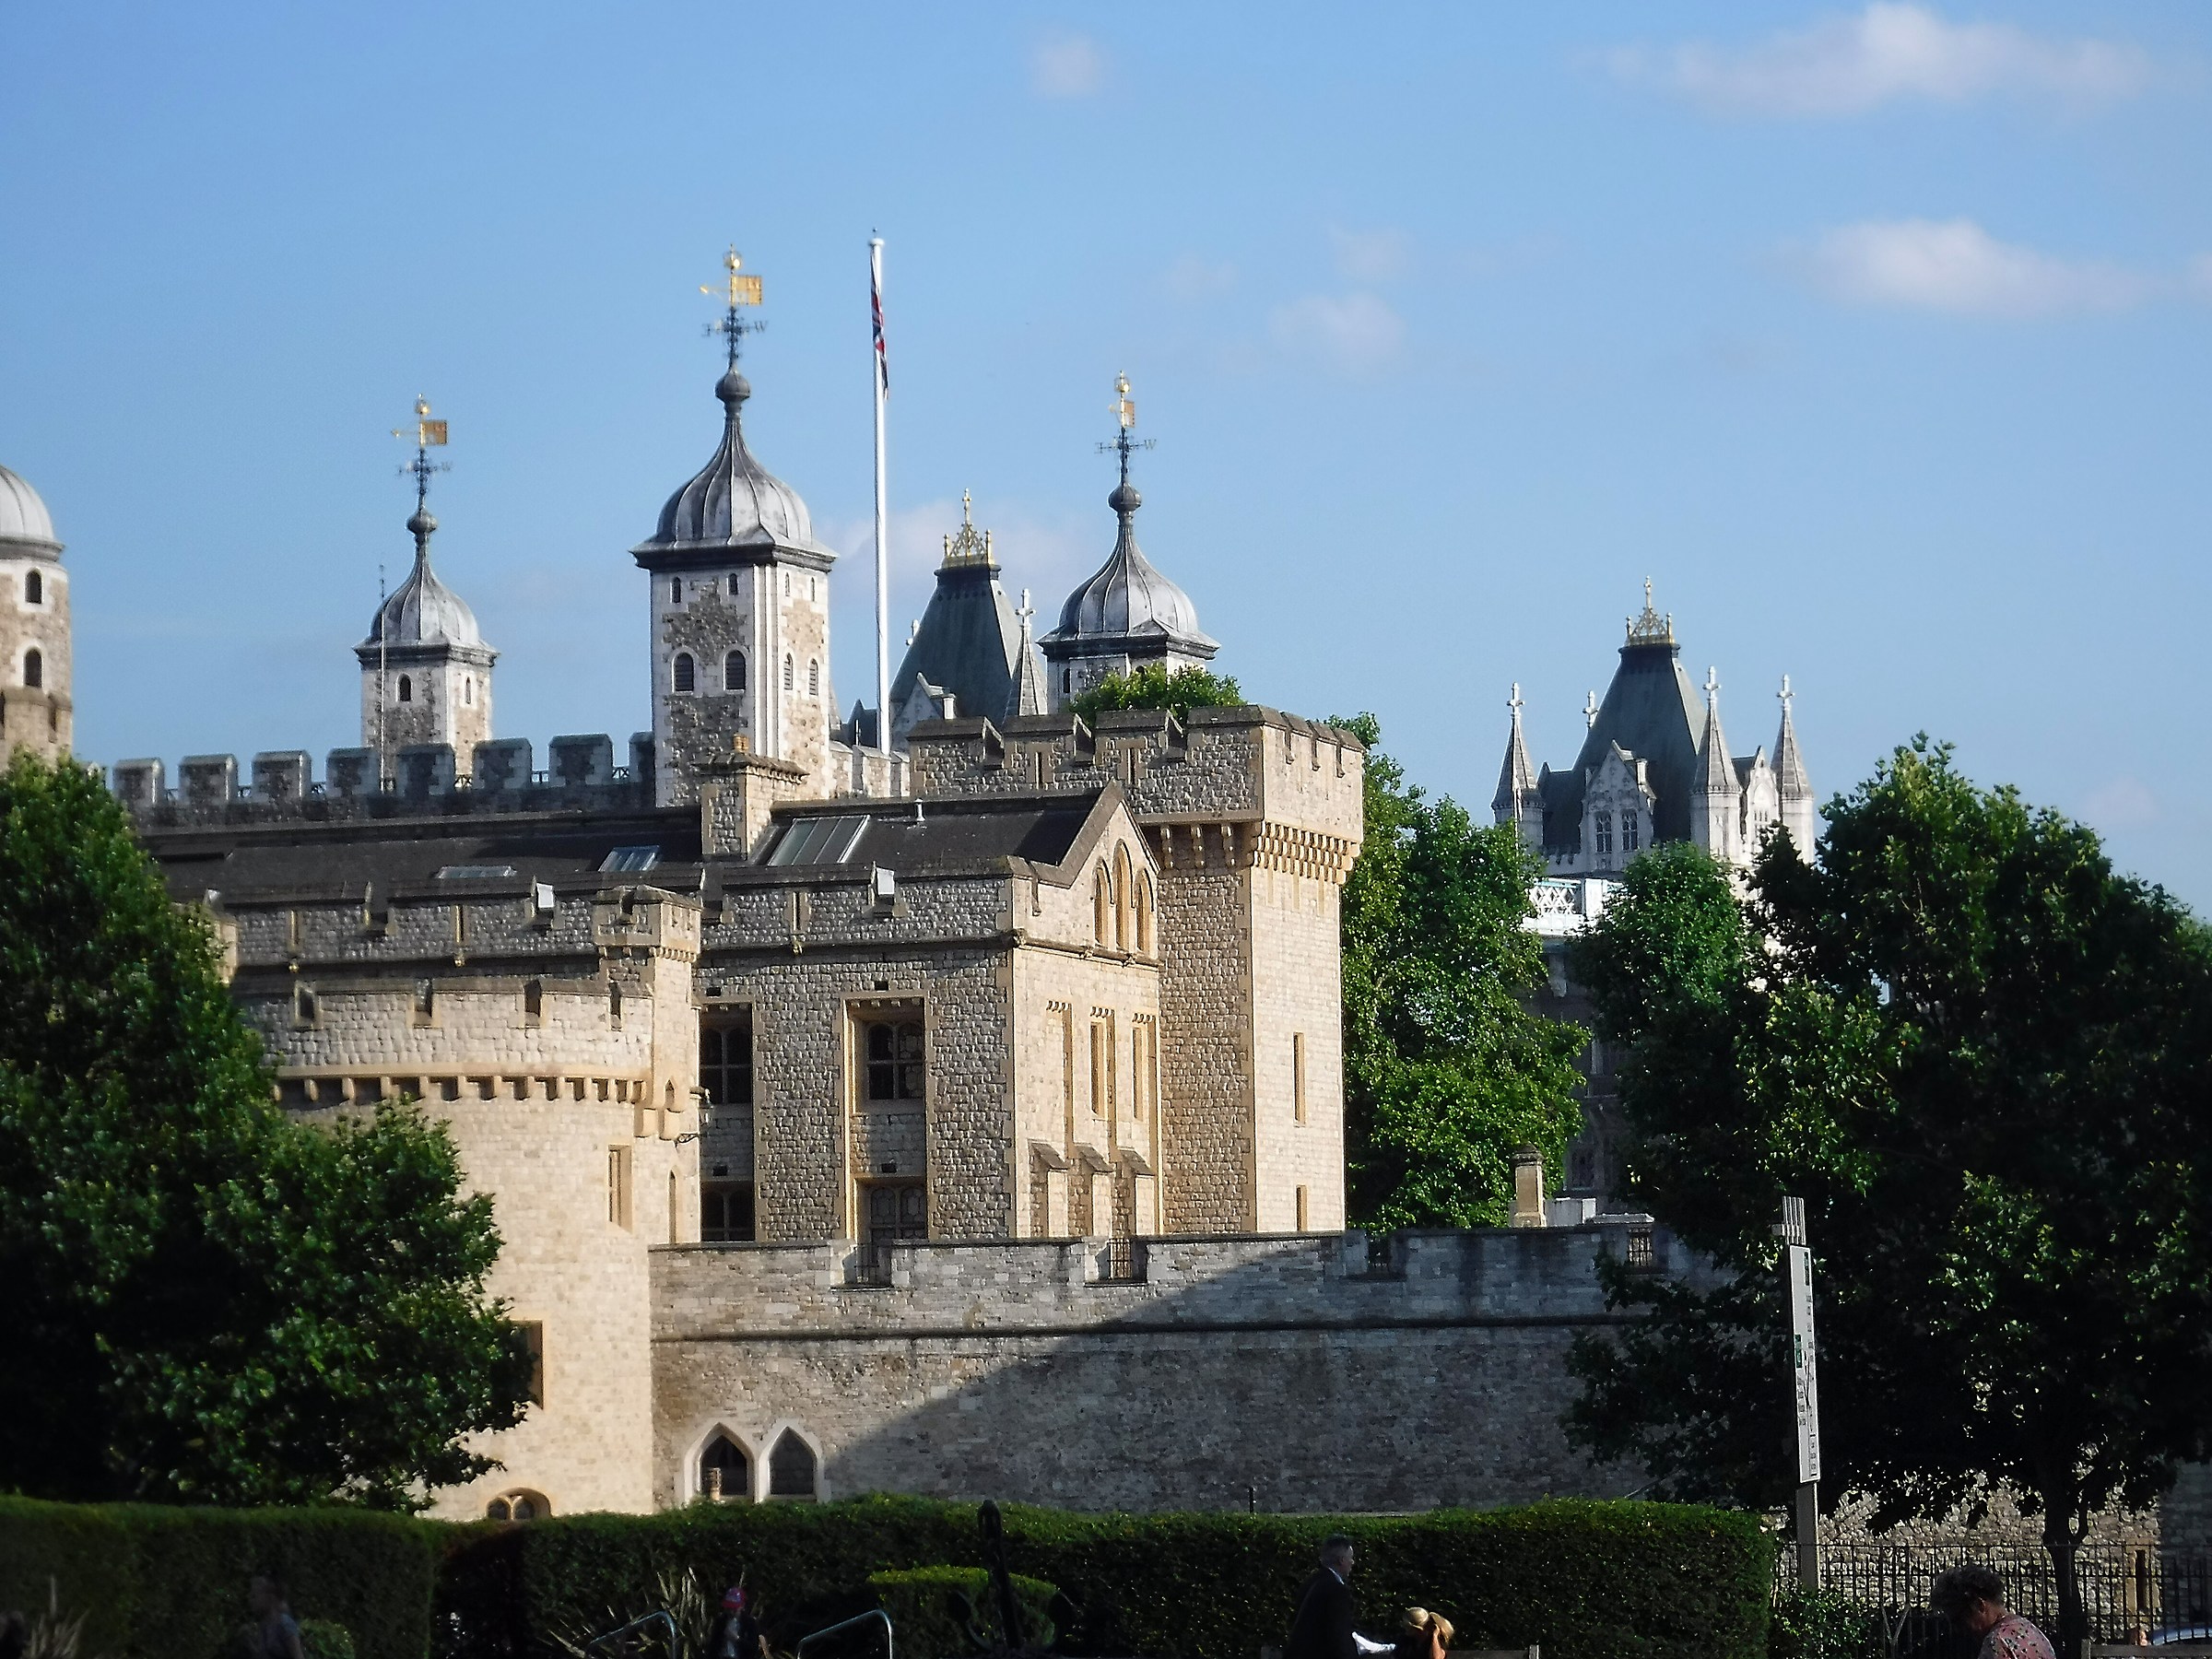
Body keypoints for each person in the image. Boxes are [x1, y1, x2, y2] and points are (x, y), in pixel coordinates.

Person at [1288, 1536, 1410, 1659]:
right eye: (1350, 1558)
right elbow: (1338, 1635)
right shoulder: (1337, 1590)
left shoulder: (1311, 1581)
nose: (1352, 1562)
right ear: (1341, 1560)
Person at [1930, 1565, 2054, 1659]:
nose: (1957, 1629)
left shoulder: (1997, 1643)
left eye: (1958, 1619)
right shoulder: (2031, 1630)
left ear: (1979, 1605)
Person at [244, 1573, 306, 1659]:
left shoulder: (284, 1624)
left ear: (270, 1597)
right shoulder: (264, 1625)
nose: (251, 1600)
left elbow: (298, 1656)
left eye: (255, 1596)